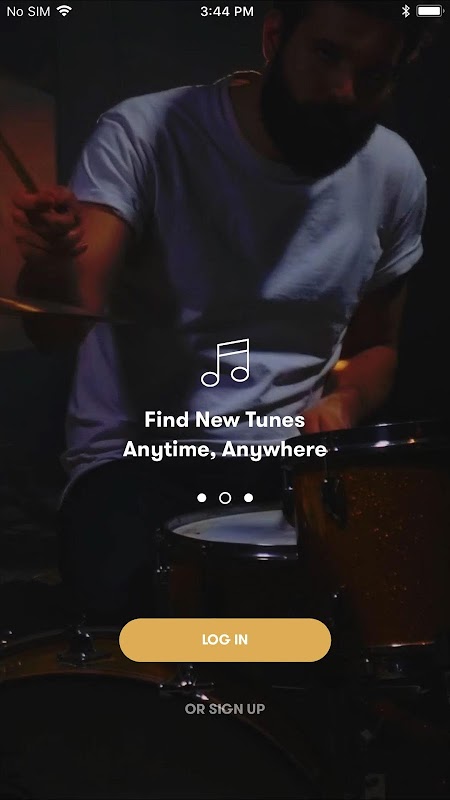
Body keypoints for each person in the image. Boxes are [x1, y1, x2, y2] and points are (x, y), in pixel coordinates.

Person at [12, 1, 436, 625]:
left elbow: (377, 348)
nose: (345, 91)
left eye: (374, 74)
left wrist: (346, 401)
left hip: (293, 465)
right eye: (327, 54)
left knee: (365, 630)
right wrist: (53, 263)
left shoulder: (394, 173)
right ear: (274, 37)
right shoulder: (145, 133)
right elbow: (56, 328)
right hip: (137, 463)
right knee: (141, 642)